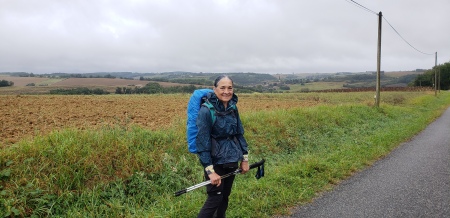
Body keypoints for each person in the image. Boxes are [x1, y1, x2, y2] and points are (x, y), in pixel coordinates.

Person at [196, 75, 249, 218]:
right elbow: (202, 142)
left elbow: (239, 133)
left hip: (232, 158)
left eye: (230, 88)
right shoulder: (206, 111)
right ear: (215, 89)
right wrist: (210, 171)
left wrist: (244, 158)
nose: (226, 91)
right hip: (215, 162)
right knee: (215, 198)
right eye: (222, 88)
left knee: (224, 197)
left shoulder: (233, 107)